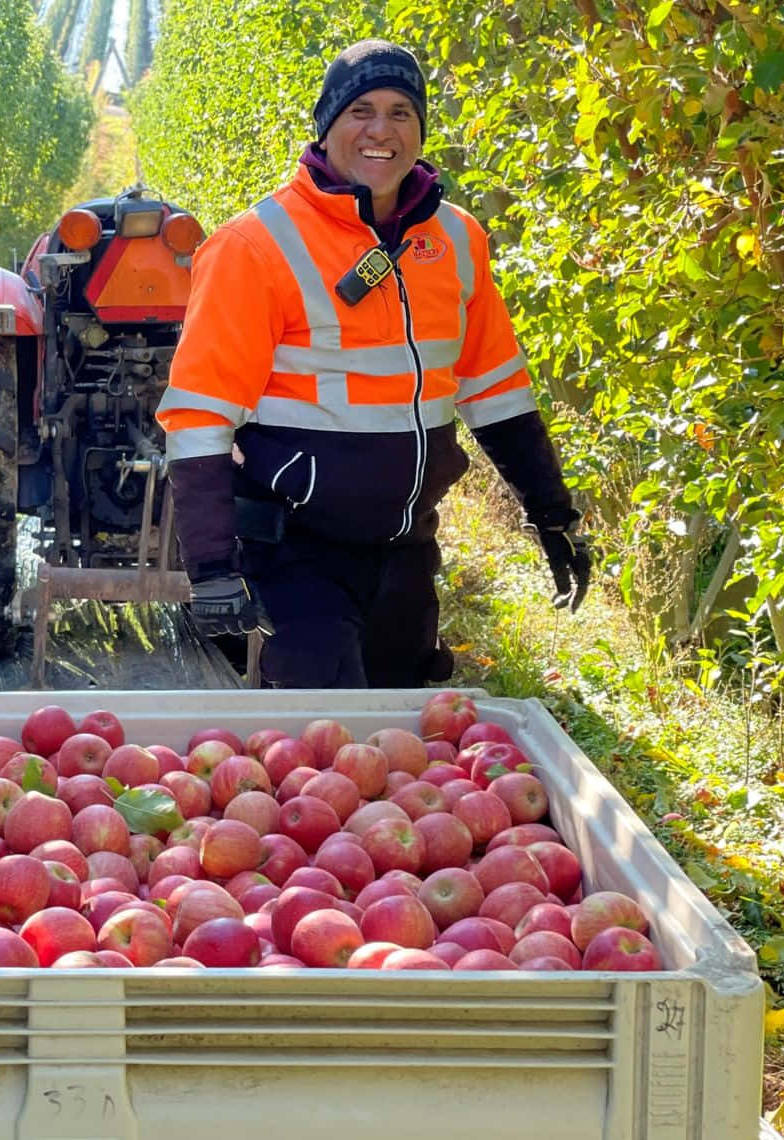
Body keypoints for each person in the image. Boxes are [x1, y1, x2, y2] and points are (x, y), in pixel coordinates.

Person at [155, 38, 590, 688]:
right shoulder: (254, 246)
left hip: (408, 551)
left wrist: (552, 514)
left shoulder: (458, 239)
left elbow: (497, 392)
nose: (381, 131)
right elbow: (199, 416)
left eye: (400, 112)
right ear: (327, 126)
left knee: (401, 757)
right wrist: (213, 566)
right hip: (295, 554)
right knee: (326, 754)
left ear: (419, 129)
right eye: (360, 110)